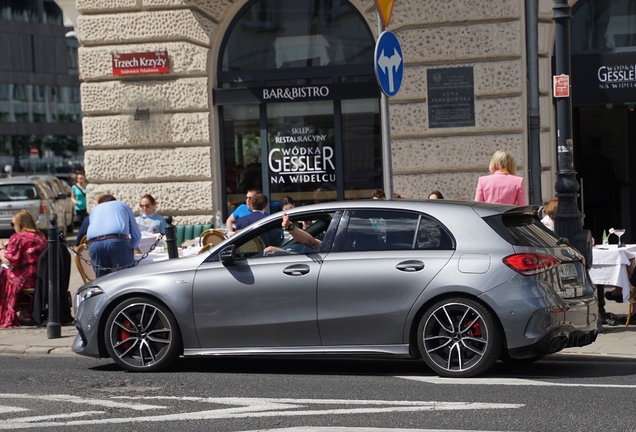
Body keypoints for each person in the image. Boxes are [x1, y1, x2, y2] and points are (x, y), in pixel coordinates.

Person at [0, 210, 48, 328]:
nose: (13, 227)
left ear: (20, 223)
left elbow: (9, 260)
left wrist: (1, 249)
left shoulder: (19, 237)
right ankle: (26, 311)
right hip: (40, 275)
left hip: (24, 277)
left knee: (3, 276)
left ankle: (6, 313)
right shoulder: (41, 236)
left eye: (13, 224)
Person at [86, 194, 141, 278]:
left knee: (102, 280)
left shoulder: (94, 210)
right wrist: (131, 249)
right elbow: (136, 235)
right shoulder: (122, 205)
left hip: (94, 244)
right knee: (126, 278)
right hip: (117, 241)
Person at [578, 137, 616, 243]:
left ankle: (591, 241)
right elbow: (612, 179)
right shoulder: (606, 161)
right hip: (603, 197)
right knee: (603, 223)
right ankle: (604, 241)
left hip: (588, 196)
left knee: (589, 222)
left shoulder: (584, 162)